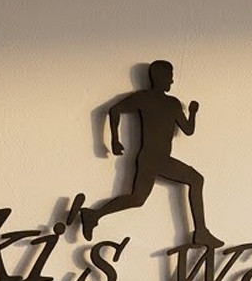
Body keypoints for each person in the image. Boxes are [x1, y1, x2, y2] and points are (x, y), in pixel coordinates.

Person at [81, 60, 222, 247]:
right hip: (154, 158)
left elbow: (188, 130)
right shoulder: (145, 98)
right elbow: (114, 110)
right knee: (196, 179)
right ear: (158, 77)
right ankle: (201, 232)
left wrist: (193, 113)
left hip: (153, 159)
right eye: (169, 77)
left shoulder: (173, 103)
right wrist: (113, 139)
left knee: (137, 199)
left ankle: (93, 214)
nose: (172, 81)